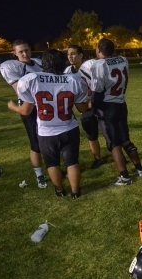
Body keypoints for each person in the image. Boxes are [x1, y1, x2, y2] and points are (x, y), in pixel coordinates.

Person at [7, 49, 89, 199]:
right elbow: (81, 108)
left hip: (46, 131)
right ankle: (75, 192)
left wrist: (13, 107)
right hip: (69, 127)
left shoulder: (31, 79)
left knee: (52, 164)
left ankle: (59, 190)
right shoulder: (75, 80)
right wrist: (90, 104)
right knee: (72, 162)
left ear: (44, 63)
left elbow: (26, 111)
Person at [90, 38, 142, 186]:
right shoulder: (123, 59)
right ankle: (139, 169)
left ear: (99, 50)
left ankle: (125, 177)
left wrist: (94, 109)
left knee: (114, 143)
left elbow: (98, 91)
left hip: (107, 107)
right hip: (121, 103)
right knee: (125, 138)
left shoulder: (99, 64)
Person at [0, 40, 47, 188]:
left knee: (50, 141)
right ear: (15, 54)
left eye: (26, 50)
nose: (25, 54)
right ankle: (39, 175)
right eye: (21, 52)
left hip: (46, 106)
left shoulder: (39, 62)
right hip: (30, 109)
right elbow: (20, 91)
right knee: (35, 144)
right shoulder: (12, 67)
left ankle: (55, 167)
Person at [64, 44, 104, 170]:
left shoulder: (90, 65)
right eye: (68, 54)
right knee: (90, 132)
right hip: (85, 107)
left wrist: (93, 99)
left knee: (108, 131)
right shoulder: (67, 71)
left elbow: (101, 82)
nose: (70, 56)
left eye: (73, 53)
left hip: (99, 102)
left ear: (81, 55)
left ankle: (117, 152)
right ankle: (97, 158)